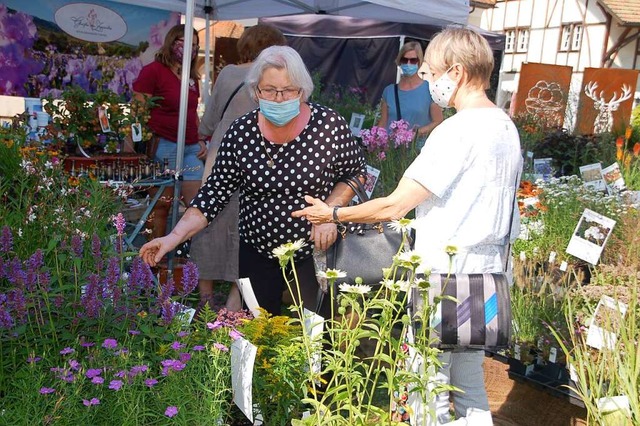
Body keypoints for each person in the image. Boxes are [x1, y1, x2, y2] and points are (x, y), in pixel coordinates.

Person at [292, 27, 522, 423]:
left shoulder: (457, 130)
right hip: (485, 275)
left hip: (443, 279)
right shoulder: (504, 126)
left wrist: (332, 214)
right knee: (469, 384)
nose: (429, 81)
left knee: (426, 387)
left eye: (431, 73)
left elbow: (396, 204)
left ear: (457, 71)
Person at [140, 45, 366, 316]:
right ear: (256, 91)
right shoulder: (241, 132)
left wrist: (330, 212)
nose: (279, 98)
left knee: (317, 335)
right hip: (257, 251)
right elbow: (212, 195)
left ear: (303, 91)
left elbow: (356, 172)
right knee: (258, 332)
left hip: (315, 251)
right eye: (269, 90)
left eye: (288, 90)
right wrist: (172, 239)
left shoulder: (328, 125)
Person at [191, 24, 287, 312]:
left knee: (208, 226)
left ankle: (205, 302)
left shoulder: (229, 73)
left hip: (221, 155)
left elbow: (208, 122)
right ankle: (234, 303)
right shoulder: (278, 78)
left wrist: (205, 136)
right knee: (246, 231)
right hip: (260, 160)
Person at [132, 24, 207, 240]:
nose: (190, 49)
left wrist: (200, 137)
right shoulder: (153, 71)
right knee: (161, 207)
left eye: (194, 45)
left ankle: (191, 260)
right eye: (184, 43)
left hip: (191, 147)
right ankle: (153, 260)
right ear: (171, 42)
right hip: (164, 145)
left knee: (198, 207)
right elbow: (138, 112)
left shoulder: (192, 77)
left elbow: (193, 112)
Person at [377, 41, 443, 149]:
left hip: (417, 152)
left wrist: (416, 133)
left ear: (419, 62)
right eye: (404, 60)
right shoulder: (389, 91)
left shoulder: (430, 89)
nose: (408, 64)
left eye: (413, 60)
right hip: (391, 154)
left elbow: (438, 121)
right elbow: (383, 123)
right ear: (399, 61)